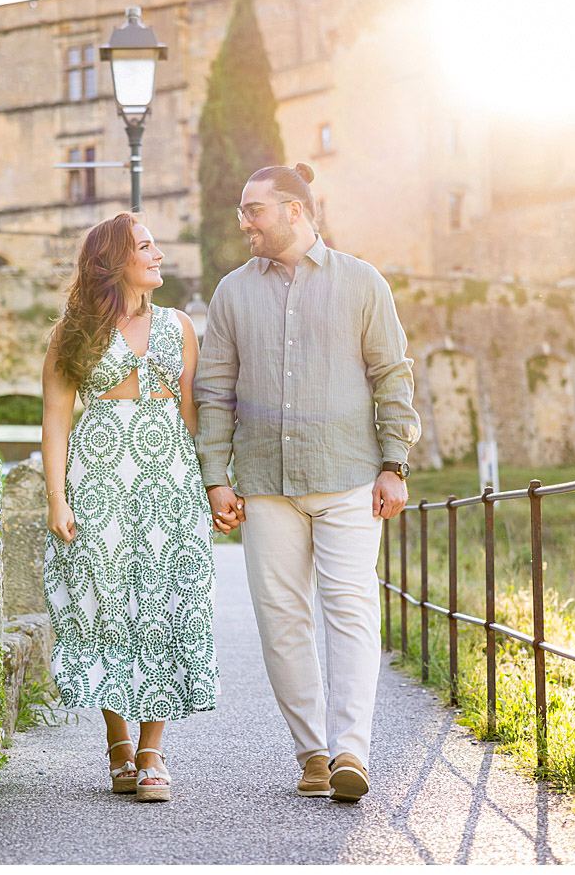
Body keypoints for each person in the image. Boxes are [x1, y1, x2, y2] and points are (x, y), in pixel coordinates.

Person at [193, 163, 420, 802]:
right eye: (242, 211)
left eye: (253, 210)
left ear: (294, 210)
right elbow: (214, 392)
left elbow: (392, 376)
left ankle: (353, 753)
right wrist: (216, 478)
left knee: (350, 613)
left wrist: (393, 463)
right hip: (264, 484)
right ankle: (313, 752)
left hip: (350, 475)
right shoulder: (232, 293)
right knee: (281, 620)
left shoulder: (362, 282)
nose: (243, 222)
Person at [42, 213, 218, 803]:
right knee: (107, 608)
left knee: (166, 606)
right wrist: (55, 496)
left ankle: (151, 752)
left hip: (168, 484)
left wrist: (219, 484)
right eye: (145, 246)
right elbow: (56, 420)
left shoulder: (180, 326)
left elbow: (195, 419)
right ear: (116, 261)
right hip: (99, 482)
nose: (159, 254)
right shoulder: (74, 331)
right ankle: (119, 744)